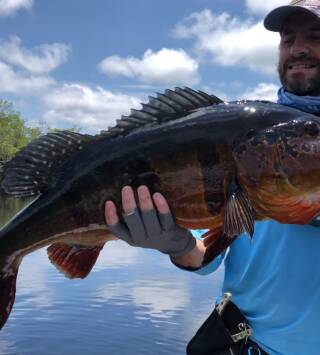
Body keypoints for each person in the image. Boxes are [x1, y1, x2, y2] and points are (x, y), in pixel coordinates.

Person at [105, 1, 320, 354]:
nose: (297, 48)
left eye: (316, 36)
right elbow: (205, 256)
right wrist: (176, 244)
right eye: (287, 39)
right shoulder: (252, 133)